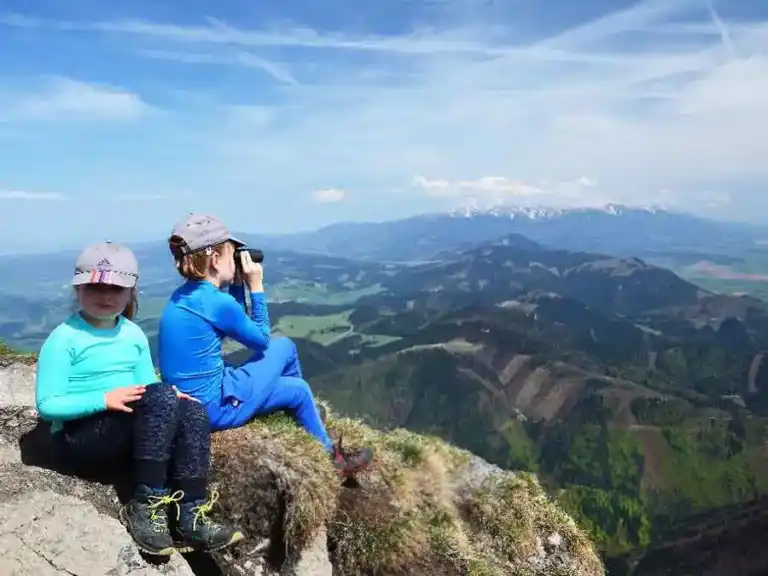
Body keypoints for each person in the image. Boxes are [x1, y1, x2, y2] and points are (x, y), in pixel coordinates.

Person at [35, 241, 243, 556]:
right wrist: (104, 399)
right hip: (77, 441)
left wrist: (170, 396)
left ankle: (190, 512)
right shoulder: (64, 339)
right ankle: (146, 504)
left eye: (116, 289)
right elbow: (47, 405)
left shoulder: (131, 334)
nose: (106, 296)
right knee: (163, 397)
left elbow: (148, 385)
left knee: (192, 410)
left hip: (122, 436)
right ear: (78, 289)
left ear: (130, 292)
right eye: (95, 287)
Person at [157, 213, 373, 480]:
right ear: (215, 260)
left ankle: (300, 411)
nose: (235, 260)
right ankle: (333, 461)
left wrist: (237, 285)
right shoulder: (216, 302)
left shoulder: (182, 296)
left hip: (191, 404)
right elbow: (260, 340)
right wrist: (256, 287)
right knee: (288, 357)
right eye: (231, 254)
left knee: (294, 383)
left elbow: (231, 322)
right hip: (214, 409)